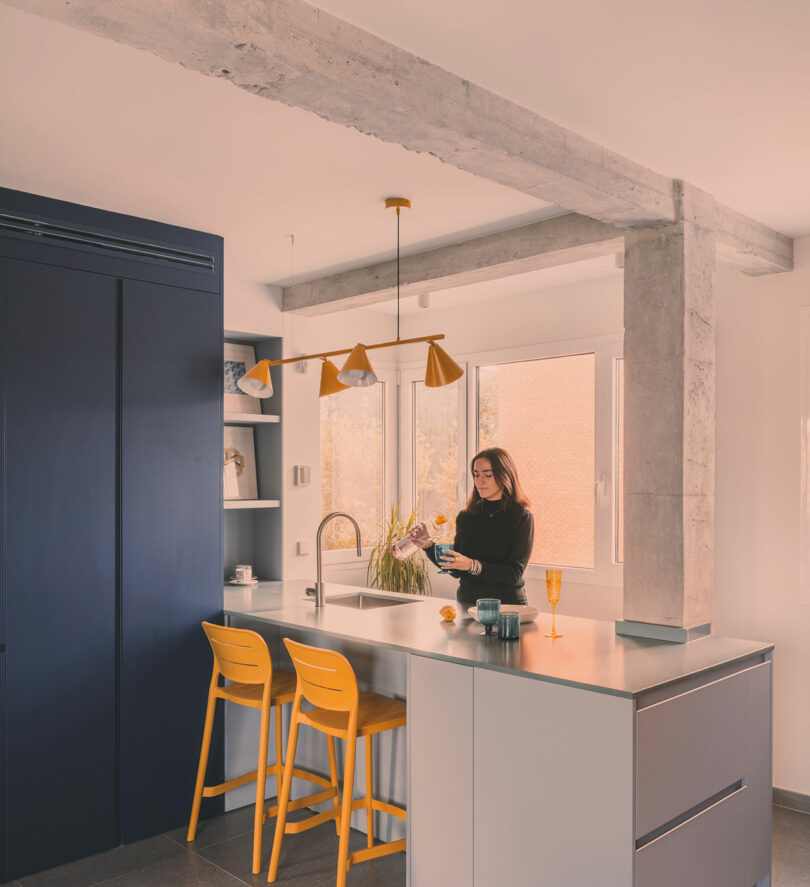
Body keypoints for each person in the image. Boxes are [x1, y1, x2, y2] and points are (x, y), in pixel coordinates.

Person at [426, 447, 534, 607]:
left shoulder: (522, 517)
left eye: (487, 475)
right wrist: (428, 546)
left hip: (507, 608)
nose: (479, 481)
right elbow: (456, 569)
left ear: (504, 475)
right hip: (468, 605)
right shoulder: (466, 517)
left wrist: (472, 565)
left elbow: (513, 574)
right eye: (476, 474)